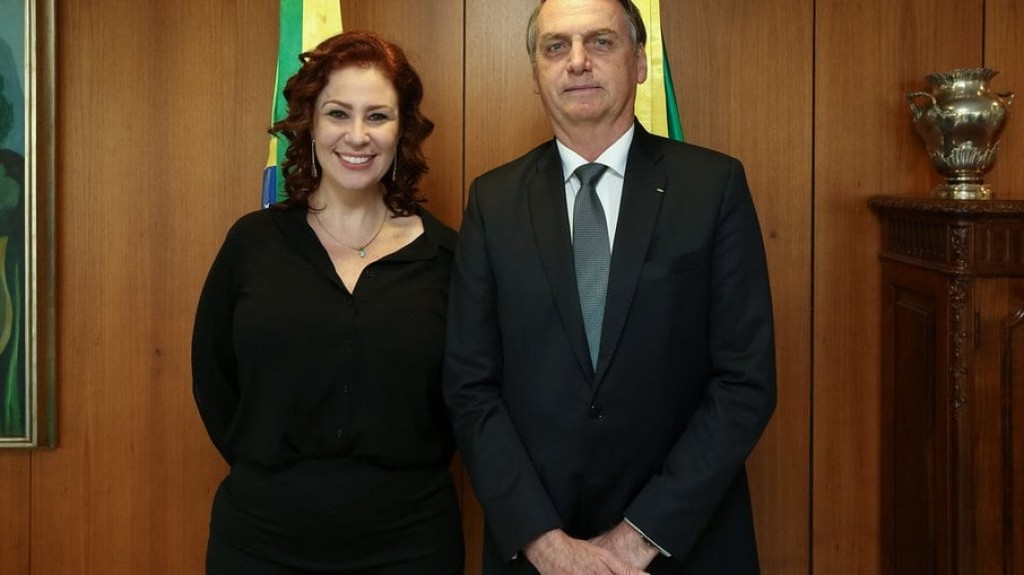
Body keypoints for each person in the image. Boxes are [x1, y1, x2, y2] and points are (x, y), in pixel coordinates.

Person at [443, 0, 777, 573]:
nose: (577, 61)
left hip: (682, 544)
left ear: (640, 62)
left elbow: (744, 381)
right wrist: (547, 545)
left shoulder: (713, 186)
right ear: (536, 74)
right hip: (538, 552)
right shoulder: (492, 202)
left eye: (600, 41)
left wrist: (636, 540)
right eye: (556, 47)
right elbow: (470, 388)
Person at [192, 31, 464, 574]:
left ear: (403, 130)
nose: (357, 136)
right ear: (310, 124)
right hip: (261, 542)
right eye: (338, 113)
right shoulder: (252, 245)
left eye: (377, 116)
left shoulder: (447, 257)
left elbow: (468, 398)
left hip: (411, 544)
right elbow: (214, 379)